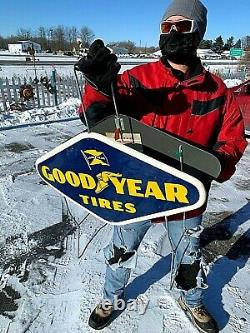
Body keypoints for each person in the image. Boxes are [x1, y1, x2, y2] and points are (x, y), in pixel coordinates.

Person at [75, 0, 248, 332]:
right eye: (166, 26)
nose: (172, 32)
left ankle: (191, 299)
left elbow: (233, 140)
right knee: (121, 250)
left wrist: (211, 167)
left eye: (182, 26)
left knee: (189, 256)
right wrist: (98, 88)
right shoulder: (139, 79)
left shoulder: (218, 91)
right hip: (137, 188)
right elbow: (97, 118)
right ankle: (112, 296)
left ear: (198, 32)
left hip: (186, 194)